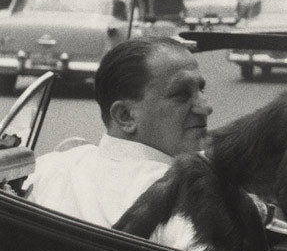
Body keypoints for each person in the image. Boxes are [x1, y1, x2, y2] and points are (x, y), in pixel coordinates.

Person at [28, 36, 212, 227]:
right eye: (181, 94)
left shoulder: (45, 170)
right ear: (125, 116)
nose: (206, 107)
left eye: (201, 90)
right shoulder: (187, 199)